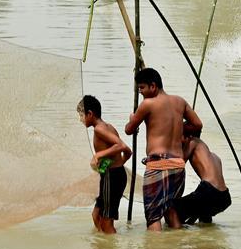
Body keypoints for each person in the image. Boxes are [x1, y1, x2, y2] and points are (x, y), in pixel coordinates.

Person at [124, 67, 203, 231]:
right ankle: (175, 247)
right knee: (170, 210)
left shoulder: (148, 104)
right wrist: (179, 128)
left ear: (153, 86)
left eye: (142, 88)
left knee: (153, 216)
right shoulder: (180, 101)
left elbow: (129, 130)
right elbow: (197, 124)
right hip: (178, 166)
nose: (141, 93)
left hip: (158, 165)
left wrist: (132, 118)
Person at [78, 95, 132, 234]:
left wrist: (98, 155)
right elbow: (128, 152)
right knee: (96, 215)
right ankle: (102, 247)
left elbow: (120, 145)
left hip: (112, 177)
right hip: (112, 175)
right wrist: (115, 164)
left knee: (107, 222)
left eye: (81, 115)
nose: (80, 119)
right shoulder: (109, 127)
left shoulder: (99, 129)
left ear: (90, 114)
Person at [174, 125, 232, 224]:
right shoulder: (215, 157)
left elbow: (179, 163)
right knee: (203, 217)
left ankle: (176, 235)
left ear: (188, 136)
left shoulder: (193, 142)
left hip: (209, 192)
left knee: (172, 211)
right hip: (224, 197)